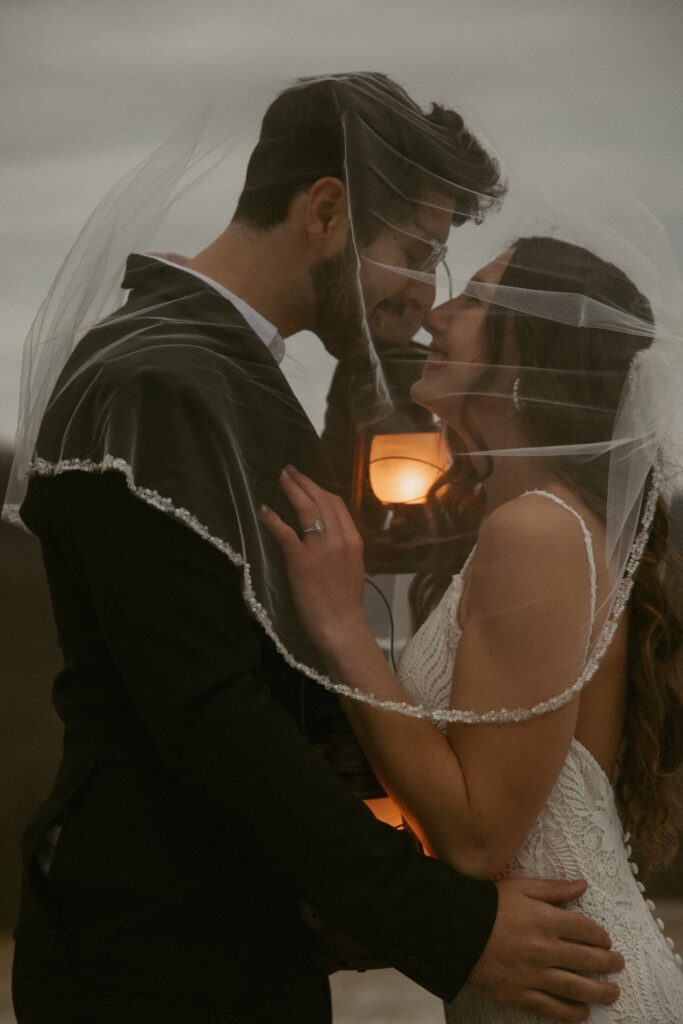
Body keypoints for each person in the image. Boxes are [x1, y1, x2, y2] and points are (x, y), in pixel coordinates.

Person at [5, 77, 625, 1023]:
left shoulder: (223, 370)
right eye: (416, 253)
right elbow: (209, 713)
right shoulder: (159, 378)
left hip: (234, 943)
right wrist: (443, 927)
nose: (424, 302)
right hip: (155, 957)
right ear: (327, 211)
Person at [261, 236, 683, 1021]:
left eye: (475, 298)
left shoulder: (537, 531)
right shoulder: (532, 523)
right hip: (544, 979)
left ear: (528, 352)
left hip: (570, 994)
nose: (437, 312)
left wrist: (340, 626)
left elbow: (479, 838)